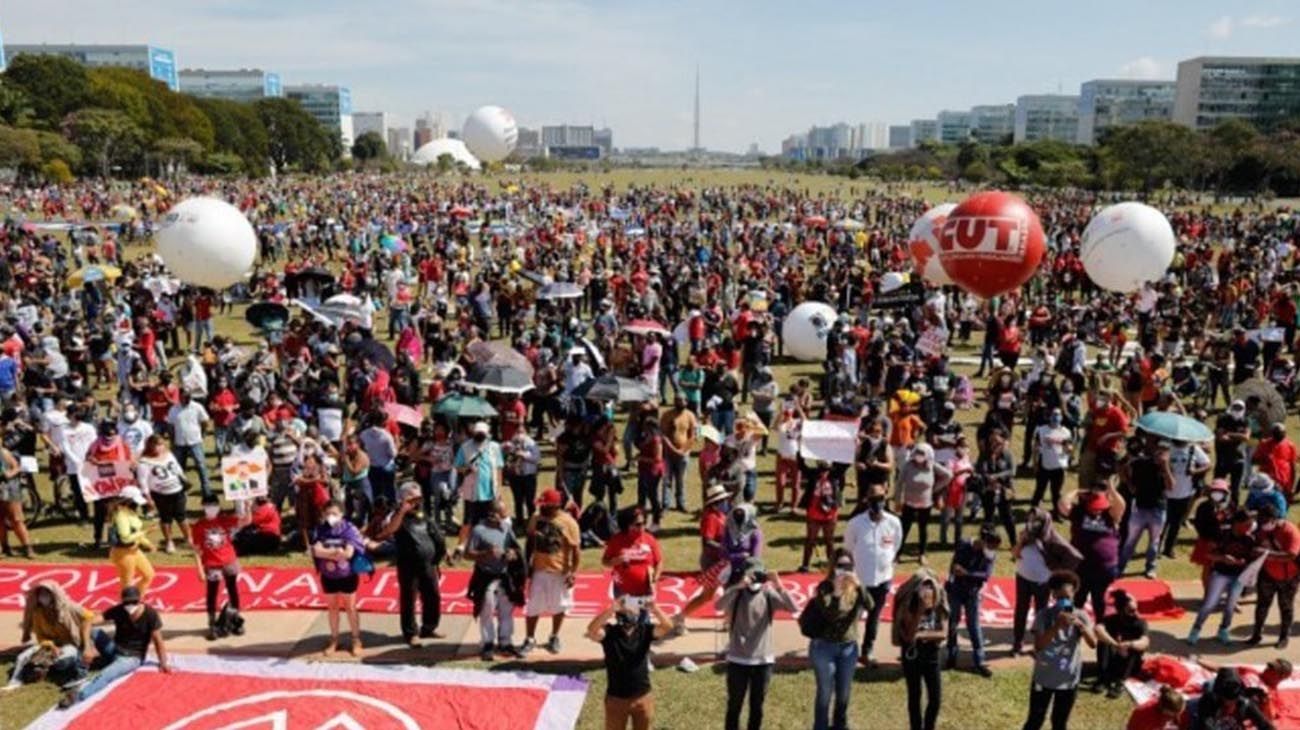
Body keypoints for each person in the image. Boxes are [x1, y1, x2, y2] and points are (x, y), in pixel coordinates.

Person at [717, 557, 797, 730]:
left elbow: (794, 608)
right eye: (751, 574)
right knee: (734, 706)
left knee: (757, 707)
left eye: (758, 574)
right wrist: (738, 586)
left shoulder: (768, 594)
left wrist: (779, 585)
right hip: (738, 659)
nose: (755, 579)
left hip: (763, 661)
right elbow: (718, 606)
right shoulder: (737, 594)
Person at [60, 585, 173, 708]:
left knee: (107, 674)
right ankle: (81, 671)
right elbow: (88, 622)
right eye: (126, 602)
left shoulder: (151, 615)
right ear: (122, 601)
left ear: (141, 599)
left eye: (133, 601)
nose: (130, 605)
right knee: (92, 631)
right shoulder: (119, 610)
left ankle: (78, 695)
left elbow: (158, 641)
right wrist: (87, 647)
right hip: (114, 649)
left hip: (132, 657)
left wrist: (163, 662)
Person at [798, 550, 870, 730]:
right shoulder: (824, 588)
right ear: (833, 567)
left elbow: (871, 606)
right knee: (825, 691)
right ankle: (820, 726)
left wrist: (860, 586)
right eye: (840, 566)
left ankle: (840, 725)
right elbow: (831, 615)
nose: (844, 570)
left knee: (844, 692)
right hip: (824, 647)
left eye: (848, 566)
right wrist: (837, 591)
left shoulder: (856, 588)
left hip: (848, 648)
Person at [368, 482, 446, 646]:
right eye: (412, 498)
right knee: (409, 599)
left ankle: (429, 627)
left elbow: (435, 535)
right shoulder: (396, 516)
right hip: (408, 565)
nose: (416, 502)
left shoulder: (422, 515)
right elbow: (386, 532)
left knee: (433, 595)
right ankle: (411, 633)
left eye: (418, 498)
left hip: (429, 564)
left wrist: (438, 557)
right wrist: (402, 511)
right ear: (402, 498)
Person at [1022, 570, 1097, 730]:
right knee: (1035, 720)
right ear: (1053, 595)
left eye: (1068, 598)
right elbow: (1039, 646)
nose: (1064, 602)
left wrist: (1082, 627)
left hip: (1068, 679)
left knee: (1060, 722)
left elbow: (1093, 644)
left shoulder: (1081, 616)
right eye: (1061, 597)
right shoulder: (1044, 615)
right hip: (1044, 678)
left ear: (1074, 594)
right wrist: (1057, 626)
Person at [587, 597, 674, 730]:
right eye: (624, 606)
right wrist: (610, 609)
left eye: (633, 608)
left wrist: (655, 609)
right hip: (616, 698)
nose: (629, 612)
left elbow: (668, 626)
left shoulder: (645, 631)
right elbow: (592, 630)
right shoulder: (610, 632)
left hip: (642, 697)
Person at [843, 482, 902, 667]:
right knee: (852, 616)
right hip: (860, 581)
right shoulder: (855, 524)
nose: (878, 503)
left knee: (874, 617)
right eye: (874, 499)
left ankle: (867, 651)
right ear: (867, 501)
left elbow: (896, 545)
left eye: (881, 499)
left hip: (883, 579)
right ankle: (847, 651)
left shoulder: (894, 523)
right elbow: (848, 550)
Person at [1011, 508, 1081, 656]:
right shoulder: (1026, 535)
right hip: (1022, 578)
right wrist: (1021, 541)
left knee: (1041, 613)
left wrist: (1056, 569)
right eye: (1030, 520)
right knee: (1021, 610)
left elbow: (1073, 557)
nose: (1033, 524)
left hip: (1042, 582)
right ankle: (1017, 643)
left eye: (1036, 521)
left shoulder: (1052, 539)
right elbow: (1015, 554)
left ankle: (1039, 644)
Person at [522, 488, 581, 655]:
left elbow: (576, 550)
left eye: (545, 505)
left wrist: (572, 573)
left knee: (559, 606)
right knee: (533, 606)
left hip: (559, 571)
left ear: (555, 506)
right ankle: (529, 638)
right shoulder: (536, 518)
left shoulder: (569, 523)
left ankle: (554, 636)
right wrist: (527, 564)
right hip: (539, 570)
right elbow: (530, 541)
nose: (541, 508)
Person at [1187, 509, 1259, 646]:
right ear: (1237, 523)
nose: (1249, 528)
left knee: (1230, 606)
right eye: (1247, 524)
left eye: (1250, 525)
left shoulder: (1250, 539)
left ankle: (1223, 630)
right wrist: (1222, 558)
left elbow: (1251, 559)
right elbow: (1208, 554)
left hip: (1238, 577)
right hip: (1220, 574)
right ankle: (1195, 630)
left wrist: (1245, 563)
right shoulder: (1222, 534)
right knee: (1209, 604)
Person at [466, 498, 524, 660]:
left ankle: (506, 642)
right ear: (493, 515)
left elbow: (515, 547)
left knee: (507, 611)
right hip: (485, 577)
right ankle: (487, 643)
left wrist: (513, 553)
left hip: (505, 576)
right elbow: (467, 554)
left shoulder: (506, 528)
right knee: (487, 610)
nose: (506, 518)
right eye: (504, 514)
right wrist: (486, 554)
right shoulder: (478, 530)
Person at [8, 582, 93, 690]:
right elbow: (40, 637)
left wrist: (86, 642)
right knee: (21, 657)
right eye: (40, 594)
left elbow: (89, 616)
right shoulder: (37, 613)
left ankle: (49, 671)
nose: (43, 597)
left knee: (63, 661)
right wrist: (51, 646)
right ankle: (15, 680)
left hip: (70, 643)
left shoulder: (69, 607)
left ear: (54, 594)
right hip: (49, 645)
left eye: (46, 593)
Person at [310, 500, 366, 657]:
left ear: (341, 514)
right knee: (332, 607)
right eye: (327, 513)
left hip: (347, 575)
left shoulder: (349, 529)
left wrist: (327, 552)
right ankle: (334, 639)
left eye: (334, 513)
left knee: (350, 607)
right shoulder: (321, 530)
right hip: (328, 576)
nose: (330, 517)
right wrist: (336, 552)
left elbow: (348, 553)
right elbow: (315, 550)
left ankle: (356, 639)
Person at [894, 570, 948, 730]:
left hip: (931, 654)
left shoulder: (939, 604)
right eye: (924, 589)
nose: (928, 593)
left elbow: (943, 634)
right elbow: (909, 636)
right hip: (912, 656)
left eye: (930, 589)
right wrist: (919, 611)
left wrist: (922, 635)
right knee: (915, 696)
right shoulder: (908, 605)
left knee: (935, 698)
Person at [1063, 480, 1125, 619]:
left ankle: (1100, 624)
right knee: (1077, 598)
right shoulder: (1079, 512)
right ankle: (1072, 625)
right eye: (1094, 507)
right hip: (1080, 566)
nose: (1097, 510)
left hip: (1103, 568)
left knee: (1099, 599)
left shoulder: (1110, 514)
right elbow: (1063, 504)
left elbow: (1121, 505)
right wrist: (1077, 491)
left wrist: (1111, 490)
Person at [944, 523, 1000, 677]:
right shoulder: (964, 544)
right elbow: (954, 566)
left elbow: (986, 575)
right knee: (953, 622)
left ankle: (979, 660)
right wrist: (955, 577)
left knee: (973, 625)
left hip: (973, 593)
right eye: (988, 543)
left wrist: (967, 573)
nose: (990, 549)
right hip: (956, 590)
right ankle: (951, 655)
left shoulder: (990, 553)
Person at [189, 493, 246, 641]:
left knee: (232, 589)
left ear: (218, 507)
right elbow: (196, 549)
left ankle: (235, 619)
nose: (211, 508)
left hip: (229, 560)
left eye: (214, 505)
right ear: (203, 507)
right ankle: (212, 622)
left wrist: (246, 504)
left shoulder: (225, 520)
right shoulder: (199, 526)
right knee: (212, 592)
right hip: (211, 563)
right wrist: (199, 569)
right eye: (208, 505)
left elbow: (246, 521)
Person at [1119, 439, 1175, 579]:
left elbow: (1171, 487)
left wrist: (1165, 467)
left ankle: (1150, 567)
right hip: (1139, 508)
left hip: (1158, 509)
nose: (1161, 454)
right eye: (1159, 450)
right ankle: (1121, 566)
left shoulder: (1168, 467)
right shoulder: (1141, 462)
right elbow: (1122, 467)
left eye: (1165, 451)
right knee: (1130, 541)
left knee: (1154, 542)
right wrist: (1130, 484)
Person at [1249, 501, 1300, 649]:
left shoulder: (1290, 531)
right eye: (1261, 521)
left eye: (1265, 521)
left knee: (1286, 607)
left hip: (1288, 577)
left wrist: (1267, 554)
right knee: (1262, 605)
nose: (1263, 525)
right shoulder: (1261, 530)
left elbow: (1291, 555)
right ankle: (1256, 634)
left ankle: (1284, 637)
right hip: (1267, 575)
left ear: (1275, 519)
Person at [897, 443, 951, 564]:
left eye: (922, 454)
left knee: (923, 529)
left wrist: (935, 488)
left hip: (925, 503)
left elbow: (948, 475)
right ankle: (898, 554)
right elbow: (899, 483)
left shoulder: (931, 466)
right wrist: (898, 500)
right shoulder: (908, 465)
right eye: (918, 453)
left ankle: (922, 554)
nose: (919, 456)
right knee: (904, 529)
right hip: (909, 502)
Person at [454, 420, 504, 548]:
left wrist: (499, 490)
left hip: (490, 490)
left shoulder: (494, 447)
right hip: (472, 490)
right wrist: (468, 469)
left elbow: (498, 468)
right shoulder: (465, 447)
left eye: (482, 434)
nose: (480, 436)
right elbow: (458, 467)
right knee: (468, 520)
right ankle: (461, 545)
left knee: (489, 519)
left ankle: (487, 542)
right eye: (477, 433)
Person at [1092, 589, 1149, 699]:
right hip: (1114, 659)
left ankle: (1121, 681)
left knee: (1135, 647)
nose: (1135, 613)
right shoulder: (1111, 620)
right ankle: (1103, 678)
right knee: (1103, 642)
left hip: (1130, 664)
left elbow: (1145, 642)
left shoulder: (1140, 622)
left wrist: (1129, 644)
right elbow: (1098, 629)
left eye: (1136, 609)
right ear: (1121, 610)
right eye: (1131, 610)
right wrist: (1114, 644)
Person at [136, 434, 187, 553]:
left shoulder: (169, 455)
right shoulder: (144, 462)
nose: (160, 447)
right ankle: (169, 541)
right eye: (157, 445)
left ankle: (188, 538)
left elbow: (178, 469)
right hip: (160, 494)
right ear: (150, 446)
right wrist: (148, 498)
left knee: (182, 516)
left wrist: (184, 481)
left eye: (161, 444)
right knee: (166, 518)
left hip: (177, 490)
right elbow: (143, 481)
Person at [602, 507, 662, 603]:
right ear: (627, 524)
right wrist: (617, 560)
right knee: (625, 617)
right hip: (622, 589)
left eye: (644, 523)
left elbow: (658, 562)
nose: (642, 527)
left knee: (643, 617)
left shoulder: (649, 539)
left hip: (645, 590)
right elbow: (605, 561)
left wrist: (655, 579)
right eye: (638, 524)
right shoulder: (616, 540)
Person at [108, 485, 155, 597]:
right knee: (127, 583)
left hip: (134, 550)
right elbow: (126, 537)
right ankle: (129, 604)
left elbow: (136, 532)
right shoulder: (121, 515)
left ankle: (137, 596)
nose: (138, 504)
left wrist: (148, 543)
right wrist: (146, 532)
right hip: (123, 553)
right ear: (129, 501)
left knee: (149, 574)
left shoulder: (130, 512)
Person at [1192, 668, 1275, 730]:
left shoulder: (1245, 703)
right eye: (1226, 699)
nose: (1229, 703)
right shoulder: (1207, 701)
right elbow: (1206, 726)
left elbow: (1264, 725)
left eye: (1233, 700)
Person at [167, 389, 211, 497]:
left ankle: (207, 491)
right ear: (180, 396)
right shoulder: (174, 409)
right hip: (179, 443)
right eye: (183, 397)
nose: (186, 399)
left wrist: (203, 434)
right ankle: (180, 492)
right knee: (179, 469)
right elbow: (171, 426)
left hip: (195, 441)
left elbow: (205, 421)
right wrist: (172, 441)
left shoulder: (197, 407)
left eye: (188, 397)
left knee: (201, 467)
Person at [1030, 408, 1072, 515]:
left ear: (1062, 417)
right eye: (1053, 414)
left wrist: (1068, 451)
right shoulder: (1042, 430)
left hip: (1059, 467)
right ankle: (1034, 510)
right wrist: (1035, 463)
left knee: (1056, 492)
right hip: (1045, 465)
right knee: (1040, 490)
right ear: (1049, 416)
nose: (1055, 417)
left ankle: (1057, 512)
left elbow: (1069, 450)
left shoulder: (1066, 432)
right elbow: (1035, 447)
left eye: (1058, 415)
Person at [800, 461, 841, 572]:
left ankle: (831, 566)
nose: (823, 473)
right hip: (814, 514)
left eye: (826, 470)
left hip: (830, 515)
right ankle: (805, 565)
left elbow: (845, 464)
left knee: (829, 541)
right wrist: (800, 450)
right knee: (810, 540)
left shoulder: (836, 475)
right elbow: (802, 466)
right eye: (821, 470)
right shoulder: (813, 474)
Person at [660, 395, 697, 513]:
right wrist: (672, 449)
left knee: (681, 479)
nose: (680, 402)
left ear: (686, 401)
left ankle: (681, 503)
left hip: (684, 453)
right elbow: (663, 435)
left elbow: (692, 435)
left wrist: (684, 450)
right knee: (667, 479)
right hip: (667, 452)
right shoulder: (667, 415)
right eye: (677, 400)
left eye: (682, 400)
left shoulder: (690, 415)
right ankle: (665, 504)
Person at [0, 433, 33, 558]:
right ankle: (5, 547)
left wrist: (10, 473)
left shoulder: (4, 453)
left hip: (10, 488)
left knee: (16, 519)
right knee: (0, 520)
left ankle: (27, 547)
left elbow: (17, 467)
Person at [505, 428, 541, 525]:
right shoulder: (511, 444)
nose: (519, 435)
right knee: (518, 500)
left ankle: (532, 520)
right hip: (515, 477)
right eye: (517, 433)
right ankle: (519, 520)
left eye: (521, 433)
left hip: (529, 476)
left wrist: (524, 455)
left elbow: (537, 458)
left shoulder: (532, 444)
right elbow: (507, 459)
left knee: (530, 500)